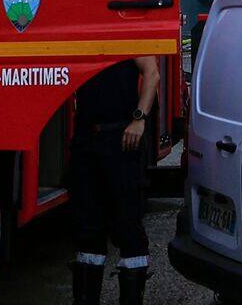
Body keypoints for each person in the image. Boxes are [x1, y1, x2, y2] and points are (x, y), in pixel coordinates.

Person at [68, 53, 158, 305]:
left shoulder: (126, 28)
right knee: (87, 228)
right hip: (87, 139)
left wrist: (139, 119)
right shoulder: (83, 31)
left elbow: (152, 73)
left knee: (128, 227)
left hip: (122, 140)